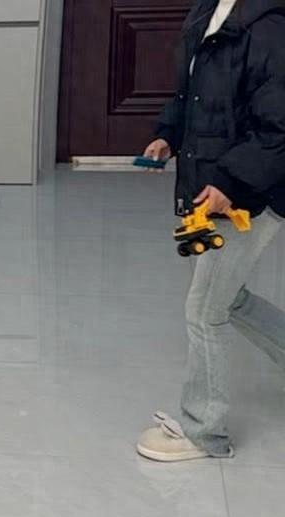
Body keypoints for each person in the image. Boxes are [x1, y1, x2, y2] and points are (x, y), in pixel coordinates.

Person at [136, 0, 285, 462]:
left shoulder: (269, 26)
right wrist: (168, 134)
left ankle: (205, 432)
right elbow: (194, 95)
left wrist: (230, 183)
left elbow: (277, 129)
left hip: (247, 192)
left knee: (204, 309)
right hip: (211, 188)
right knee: (227, 296)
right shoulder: (207, 13)